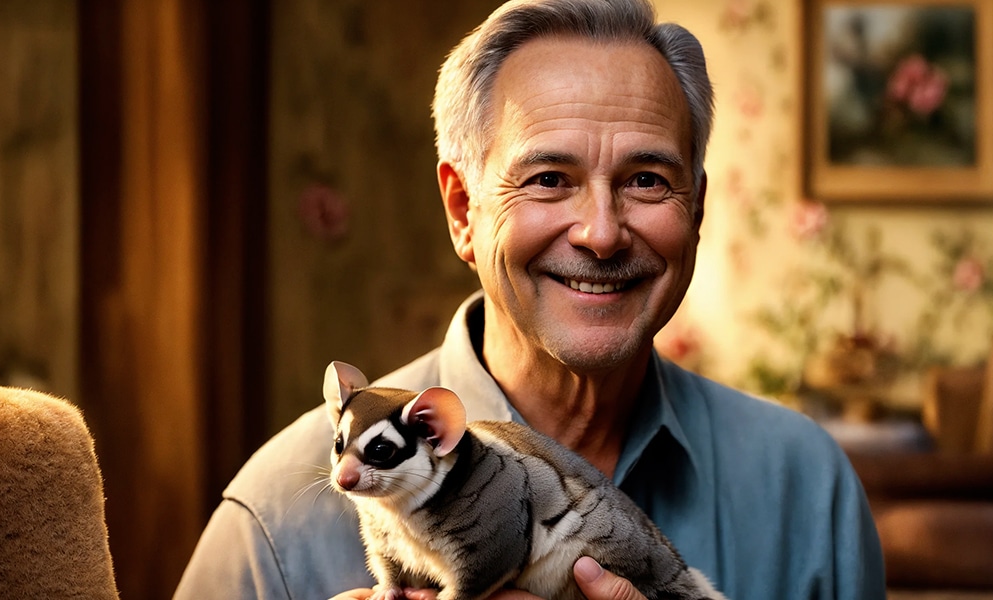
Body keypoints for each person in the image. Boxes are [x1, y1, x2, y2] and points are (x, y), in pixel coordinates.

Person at [175, 0, 886, 598]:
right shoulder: (272, 523)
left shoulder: (808, 490)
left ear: (696, 210)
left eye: (645, 180)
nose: (602, 234)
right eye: (548, 178)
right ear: (462, 211)